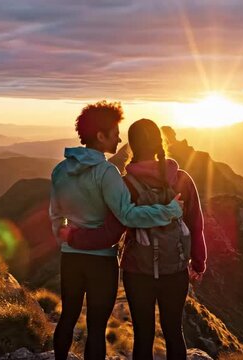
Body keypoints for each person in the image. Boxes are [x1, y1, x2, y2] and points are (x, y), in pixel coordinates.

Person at [49, 101, 184, 360]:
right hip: (101, 261)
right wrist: (169, 211)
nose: (120, 137)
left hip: (71, 257)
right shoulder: (106, 173)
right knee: (96, 328)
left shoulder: (60, 170)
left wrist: (65, 238)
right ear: (100, 136)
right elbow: (128, 215)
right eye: (114, 132)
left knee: (67, 317)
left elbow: (56, 215)